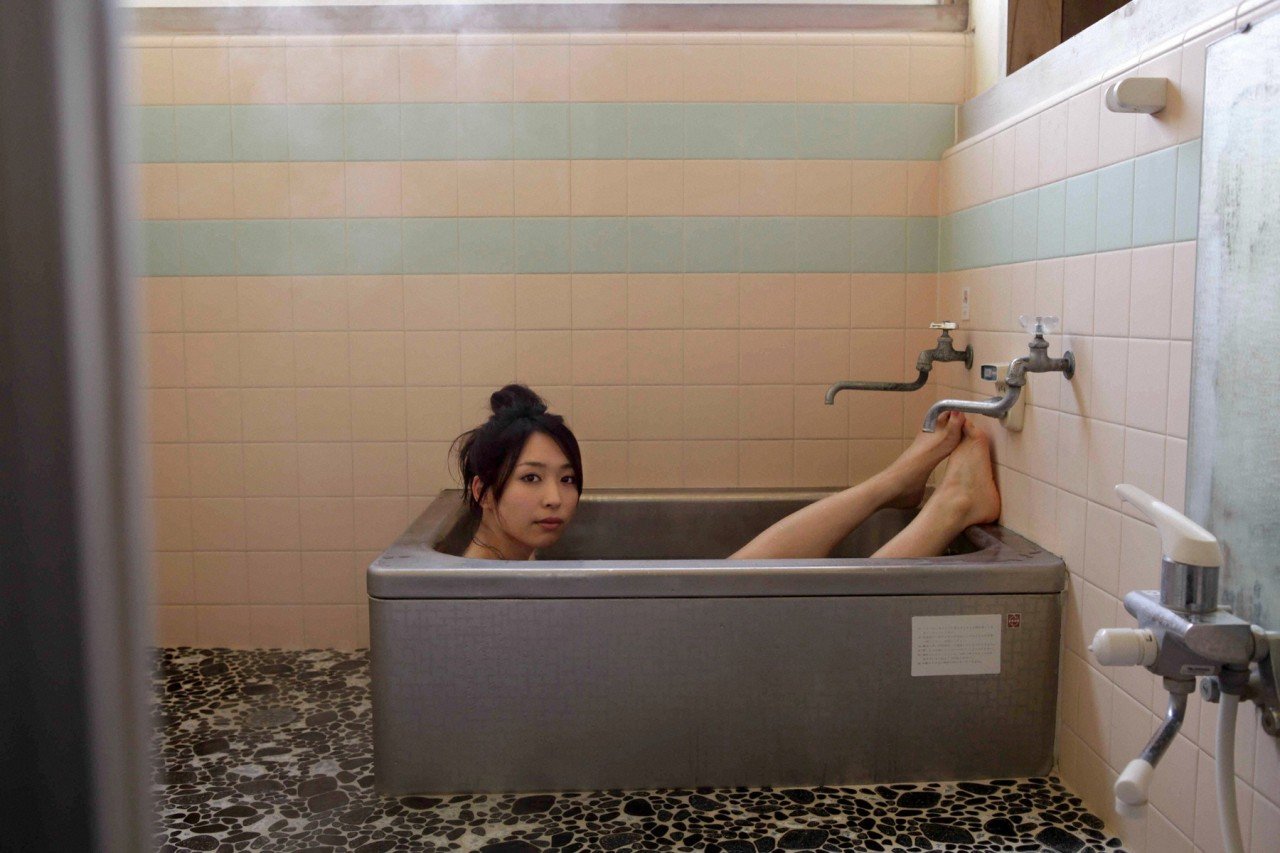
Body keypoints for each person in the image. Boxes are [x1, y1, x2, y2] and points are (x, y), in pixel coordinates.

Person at [454, 384, 1000, 561]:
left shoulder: (509, 562)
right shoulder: (473, 590)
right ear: (483, 491)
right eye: (531, 479)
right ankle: (944, 505)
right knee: (753, 590)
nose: (555, 498)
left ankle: (899, 486)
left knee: (740, 578)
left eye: (567, 478)